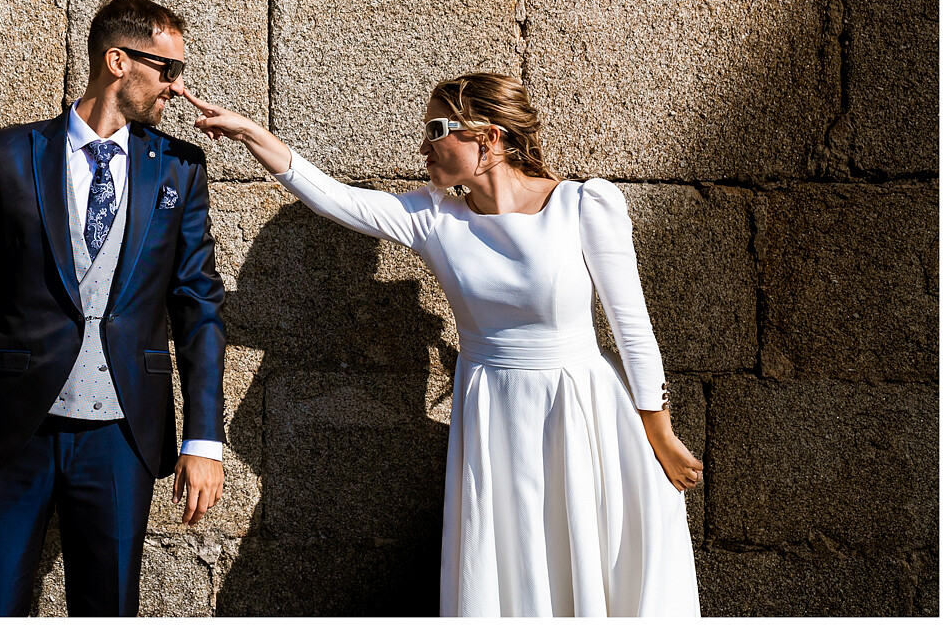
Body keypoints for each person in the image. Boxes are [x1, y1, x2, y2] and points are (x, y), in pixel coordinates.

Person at [181, 72, 701, 617]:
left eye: (438, 128)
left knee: (591, 561)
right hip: (494, 420)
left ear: (489, 136)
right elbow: (334, 198)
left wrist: (658, 432)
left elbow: (632, 326)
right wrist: (248, 133)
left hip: (584, 412)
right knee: (515, 564)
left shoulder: (583, 205)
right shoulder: (434, 219)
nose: (425, 143)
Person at [0, 0, 227, 617]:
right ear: (117, 61)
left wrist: (204, 438)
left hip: (124, 431)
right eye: (168, 70)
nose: (177, 86)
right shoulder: (9, 156)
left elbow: (197, 305)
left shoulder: (178, 167)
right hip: (14, 431)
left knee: (109, 610)